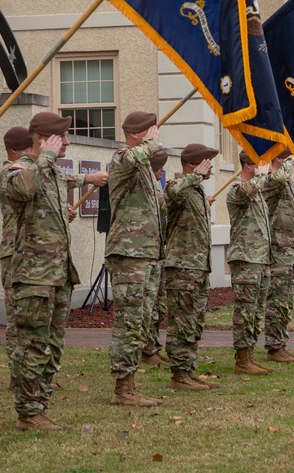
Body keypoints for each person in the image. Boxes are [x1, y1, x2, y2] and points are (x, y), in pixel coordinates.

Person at [5, 112, 107, 430]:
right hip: (32, 275)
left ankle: (40, 405)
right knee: (33, 344)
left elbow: (59, 187)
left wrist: (82, 188)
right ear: (42, 139)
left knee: (52, 344)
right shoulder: (17, 169)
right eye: (60, 137)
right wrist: (45, 155)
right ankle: (28, 412)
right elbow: (22, 189)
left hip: (57, 273)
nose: (66, 142)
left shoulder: (49, 173)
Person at [105, 111, 167, 407]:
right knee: (128, 321)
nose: (155, 133)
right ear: (136, 134)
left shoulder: (142, 166)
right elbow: (133, 158)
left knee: (139, 321)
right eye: (150, 130)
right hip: (128, 254)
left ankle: (130, 383)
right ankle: (123, 388)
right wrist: (152, 143)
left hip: (145, 254)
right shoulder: (122, 158)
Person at [162, 143, 221, 391]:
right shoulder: (178, 185)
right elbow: (173, 194)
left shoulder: (195, 191)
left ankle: (188, 369)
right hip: (182, 267)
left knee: (194, 321)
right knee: (182, 322)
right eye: (207, 161)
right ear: (192, 164)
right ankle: (178, 374)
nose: (211, 166)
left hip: (198, 267)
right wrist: (196, 176)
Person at [226, 151, 274, 375]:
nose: (264, 166)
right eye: (259, 162)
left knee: (256, 311)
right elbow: (246, 190)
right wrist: (261, 176)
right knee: (245, 310)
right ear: (248, 164)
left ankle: (250, 356)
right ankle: (242, 359)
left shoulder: (257, 192)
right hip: (245, 258)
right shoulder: (237, 189)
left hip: (261, 258)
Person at [0, 126, 33, 386]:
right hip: (13, 252)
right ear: (16, 150)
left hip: (26, 250)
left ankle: (29, 370)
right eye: (29, 150)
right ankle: (16, 373)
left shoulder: (25, 173)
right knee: (17, 316)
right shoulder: (10, 172)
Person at [261, 148, 294, 363]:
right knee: (277, 298)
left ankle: (280, 343)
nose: (293, 162)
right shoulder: (271, 180)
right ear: (280, 159)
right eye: (288, 158)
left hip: (291, 246)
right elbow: (278, 177)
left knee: (286, 299)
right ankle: (273, 346)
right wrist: (289, 162)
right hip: (279, 246)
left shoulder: (286, 182)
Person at [141, 150, 170, 367]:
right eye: (159, 167)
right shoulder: (144, 185)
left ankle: (152, 345)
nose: (162, 172)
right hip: (145, 252)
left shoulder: (156, 185)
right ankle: (145, 349)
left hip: (158, 251)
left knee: (158, 305)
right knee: (147, 306)